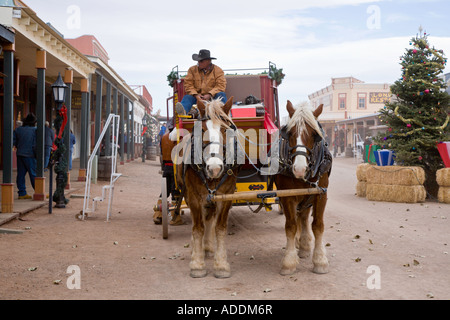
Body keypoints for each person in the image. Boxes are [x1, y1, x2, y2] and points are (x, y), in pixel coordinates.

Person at [175, 49, 227, 115]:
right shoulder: (192, 70)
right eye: (198, 61)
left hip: (212, 98)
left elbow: (221, 86)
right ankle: (183, 112)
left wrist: (210, 94)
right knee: (187, 97)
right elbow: (188, 84)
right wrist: (196, 95)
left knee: (221, 95)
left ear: (208, 61)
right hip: (196, 97)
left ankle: (221, 113)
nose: (199, 62)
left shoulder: (218, 70)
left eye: (201, 61)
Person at [13, 113, 37, 200]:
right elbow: (36, 144)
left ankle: (22, 193)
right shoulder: (35, 130)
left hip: (20, 154)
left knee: (20, 174)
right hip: (30, 154)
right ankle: (38, 191)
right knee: (34, 174)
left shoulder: (18, 130)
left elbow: (13, 142)